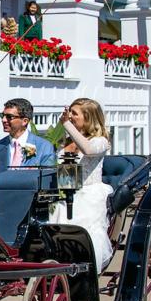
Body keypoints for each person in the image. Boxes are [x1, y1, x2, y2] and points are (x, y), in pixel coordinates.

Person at [51, 98, 114, 270]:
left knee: (84, 228)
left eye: (74, 113)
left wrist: (66, 124)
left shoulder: (100, 141)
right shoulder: (66, 141)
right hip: (65, 191)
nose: (70, 116)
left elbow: (87, 150)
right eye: (69, 112)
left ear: (88, 117)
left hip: (89, 194)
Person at [0, 97, 57, 172]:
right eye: (2, 116)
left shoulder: (44, 147)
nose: (3, 120)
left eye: (9, 117)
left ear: (25, 121)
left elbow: (47, 177)